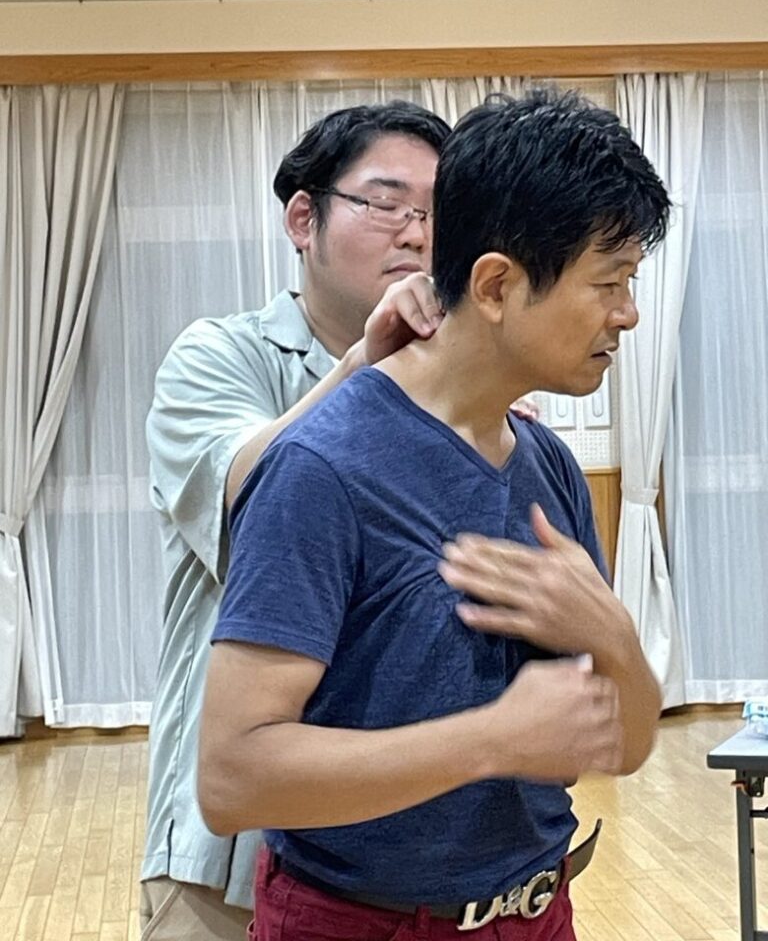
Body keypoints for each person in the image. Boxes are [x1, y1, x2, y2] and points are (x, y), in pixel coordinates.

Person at [198, 88, 671, 941]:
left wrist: (615, 638)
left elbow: (624, 745)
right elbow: (233, 778)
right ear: (495, 285)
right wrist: (491, 737)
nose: (628, 314)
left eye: (630, 282)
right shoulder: (322, 468)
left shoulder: (549, 466)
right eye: (608, 283)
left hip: (539, 912)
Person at [140, 100, 453, 941]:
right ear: (303, 219)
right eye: (387, 203)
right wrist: (365, 367)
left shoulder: (458, 388)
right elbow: (254, 500)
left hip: (404, 861)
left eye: (438, 213)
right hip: (230, 855)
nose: (417, 234)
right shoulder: (219, 355)